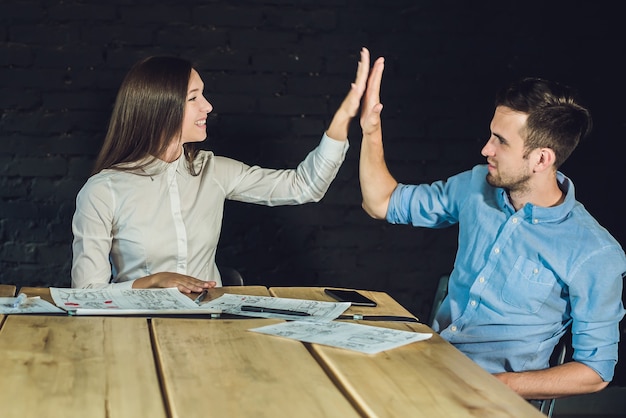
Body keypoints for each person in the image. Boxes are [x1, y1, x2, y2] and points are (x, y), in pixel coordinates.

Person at [358, 55, 626, 400]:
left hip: (488, 399)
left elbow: (596, 371)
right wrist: (371, 130)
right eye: (491, 135)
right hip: (427, 368)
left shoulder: (594, 253)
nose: (486, 149)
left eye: (501, 141)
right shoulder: (475, 186)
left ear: (541, 159)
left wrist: (502, 384)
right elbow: (381, 203)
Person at [72, 48, 373, 293]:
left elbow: (304, 186)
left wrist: (344, 115)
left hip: (209, 324)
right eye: (193, 98)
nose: (208, 106)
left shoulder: (213, 171)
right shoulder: (102, 191)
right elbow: (86, 291)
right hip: (137, 332)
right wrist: (150, 282)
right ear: (160, 108)